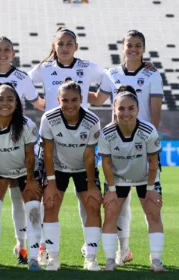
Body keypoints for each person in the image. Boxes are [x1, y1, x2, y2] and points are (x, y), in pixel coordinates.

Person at [28, 27, 110, 263]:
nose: (65, 47)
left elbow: (109, 80)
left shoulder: (88, 67)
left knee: (89, 202)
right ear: (54, 46)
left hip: (82, 134)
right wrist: (39, 102)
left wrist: (96, 99)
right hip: (55, 133)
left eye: (69, 43)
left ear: (76, 46)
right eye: (60, 43)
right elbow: (22, 82)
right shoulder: (44, 68)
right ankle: (45, 247)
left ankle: (90, 249)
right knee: (49, 200)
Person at [90, 29, 163, 266]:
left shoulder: (153, 75)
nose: (133, 49)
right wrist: (74, 87)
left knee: (149, 204)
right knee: (117, 204)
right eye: (129, 44)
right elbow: (98, 100)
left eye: (138, 45)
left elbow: (155, 116)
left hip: (141, 145)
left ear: (143, 48)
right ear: (122, 47)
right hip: (116, 144)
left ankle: (154, 259)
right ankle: (122, 251)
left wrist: (148, 143)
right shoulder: (110, 74)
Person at [0, 36, 45, 265]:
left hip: (16, 144)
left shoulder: (22, 79)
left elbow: (38, 103)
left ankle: (24, 248)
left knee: (22, 201)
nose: (3, 53)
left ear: (13, 53)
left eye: (7, 49)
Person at [39, 80, 102, 271]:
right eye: (65, 100)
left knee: (92, 205)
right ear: (58, 100)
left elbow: (90, 156)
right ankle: (53, 257)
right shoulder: (48, 118)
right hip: (57, 168)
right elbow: (48, 153)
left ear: (82, 99)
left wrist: (91, 185)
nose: (70, 105)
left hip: (83, 167)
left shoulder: (92, 121)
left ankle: (91, 258)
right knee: (50, 205)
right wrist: (50, 183)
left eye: (74, 100)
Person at [98, 91, 164, 272]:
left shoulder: (148, 130)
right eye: (121, 108)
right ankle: (110, 260)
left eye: (130, 108)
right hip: (118, 179)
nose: (126, 113)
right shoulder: (107, 133)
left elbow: (153, 162)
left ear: (138, 109)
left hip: (146, 177)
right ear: (114, 110)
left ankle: (156, 260)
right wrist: (111, 190)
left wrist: (151, 189)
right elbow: (106, 163)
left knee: (153, 213)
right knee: (110, 214)